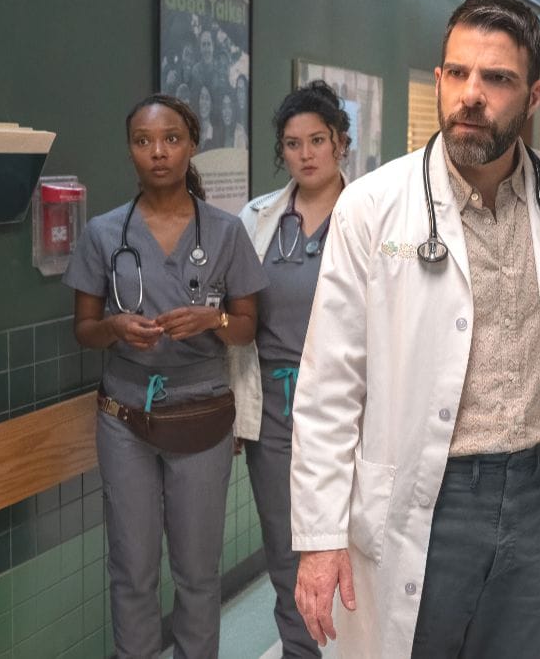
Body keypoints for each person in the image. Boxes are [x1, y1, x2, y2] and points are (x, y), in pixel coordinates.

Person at [288, 0, 540, 658]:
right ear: (438, 80)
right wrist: (321, 537)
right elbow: (328, 386)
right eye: (457, 73)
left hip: (534, 489)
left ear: (533, 95)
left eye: (497, 78)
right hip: (429, 493)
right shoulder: (374, 207)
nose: (472, 94)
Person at [63, 94, 268, 657]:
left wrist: (214, 318)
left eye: (171, 139)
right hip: (124, 418)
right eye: (143, 141)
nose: (158, 153)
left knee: (198, 573)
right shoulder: (105, 234)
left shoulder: (226, 232)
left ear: (192, 145)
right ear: (130, 149)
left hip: (200, 419)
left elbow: (247, 327)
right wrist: (115, 327)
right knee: (131, 568)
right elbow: (83, 329)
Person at [229, 80, 350, 659]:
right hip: (275, 413)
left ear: (341, 144)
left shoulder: (370, 217)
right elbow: (237, 316)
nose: (305, 154)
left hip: (351, 413)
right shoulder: (257, 219)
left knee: (353, 549)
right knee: (287, 550)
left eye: (317, 140)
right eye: (293, 143)